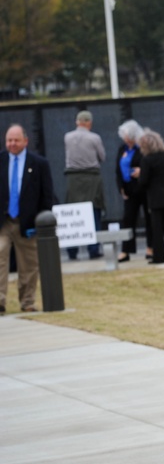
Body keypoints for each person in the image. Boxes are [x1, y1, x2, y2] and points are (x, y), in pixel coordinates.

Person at [0, 124, 54, 314]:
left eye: (15, 140)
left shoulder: (38, 164)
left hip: (28, 223)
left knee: (29, 264)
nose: (12, 144)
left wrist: (40, 221)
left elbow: (47, 196)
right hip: (3, 223)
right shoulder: (1, 161)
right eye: (9, 140)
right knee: (0, 257)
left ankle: (27, 301)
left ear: (25, 141)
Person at [64, 110, 106, 260]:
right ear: (89, 122)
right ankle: (93, 249)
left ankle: (72, 250)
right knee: (93, 212)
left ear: (77, 122)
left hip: (73, 179)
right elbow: (102, 157)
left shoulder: (67, 137)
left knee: (73, 214)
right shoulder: (94, 138)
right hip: (91, 179)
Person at [136, 130, 164, 264]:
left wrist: (139, 176)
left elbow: (143, 181)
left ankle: (159, 257)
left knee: (157, 230)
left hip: (155, 198)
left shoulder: (146, 160)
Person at [114, 119, 148, 263]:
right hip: (128, 189)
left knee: (149, 218)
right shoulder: (122, 149)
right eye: (125, 138)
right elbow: (117, 168)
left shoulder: (143, 148)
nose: (127, 141)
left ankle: (151, 248)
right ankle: (126, 250)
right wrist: (121, 186)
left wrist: (142, 171)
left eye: (129, 138)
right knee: (128, 219)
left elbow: (149, 164)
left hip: (143, 188)